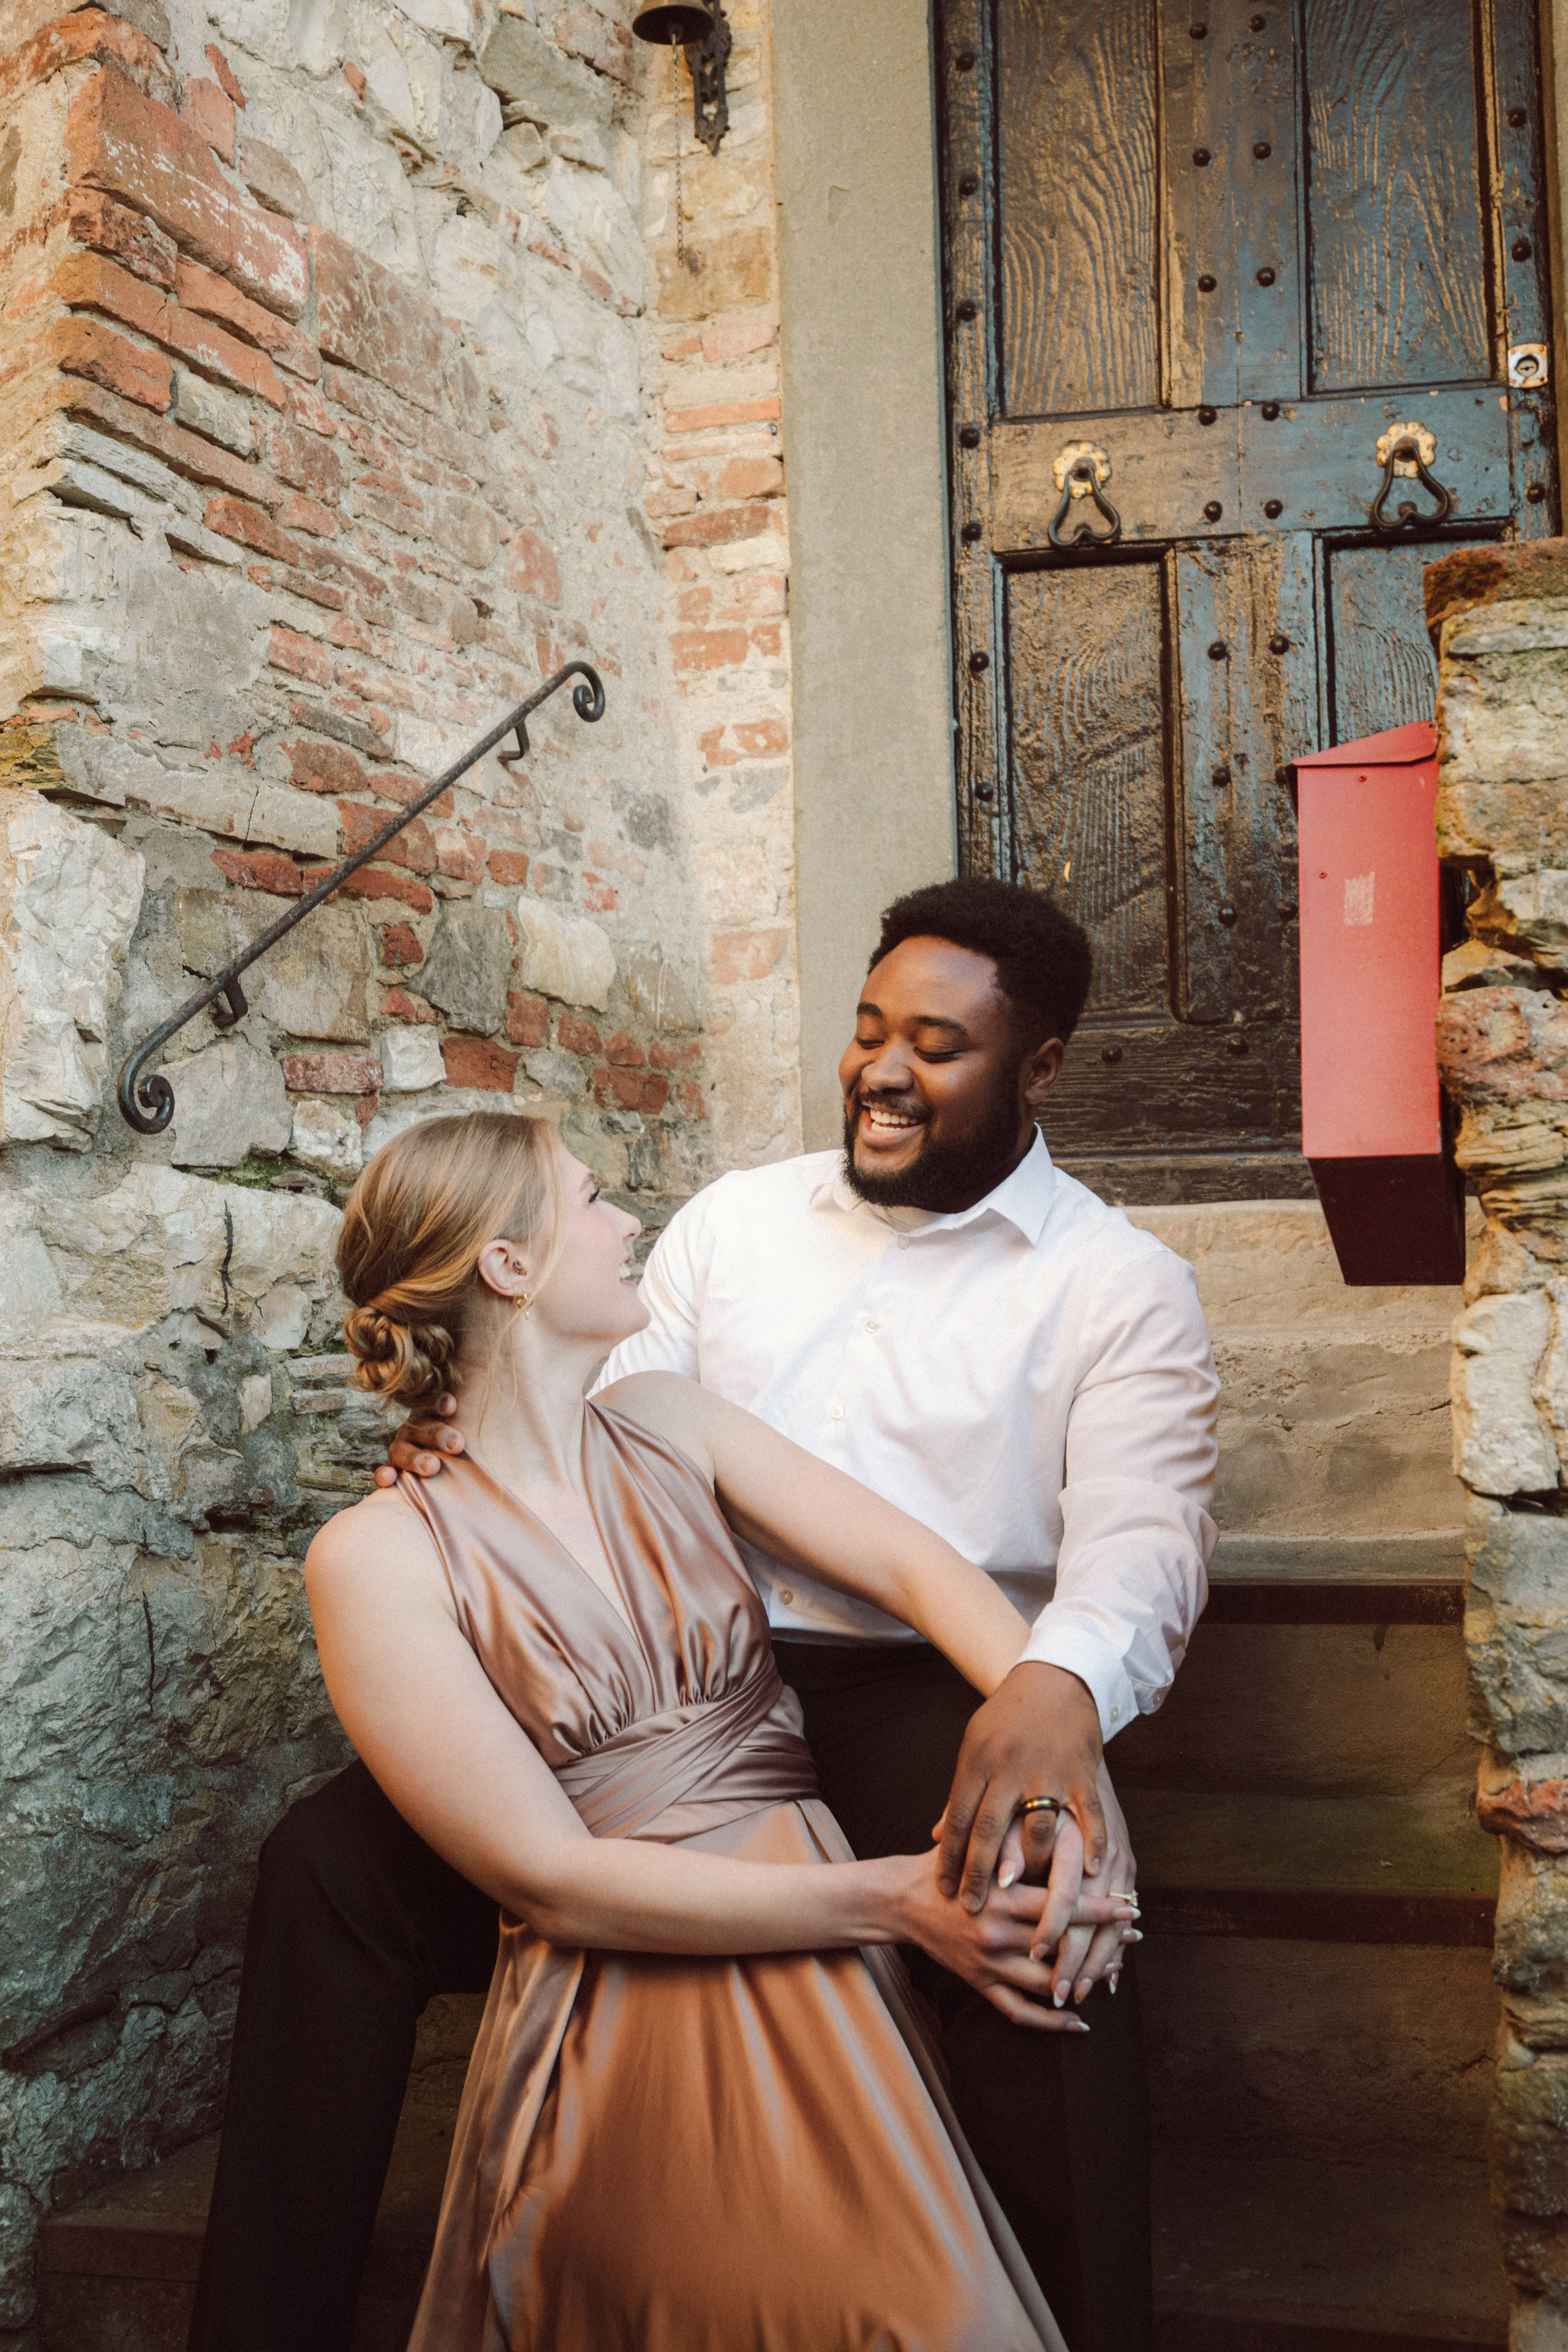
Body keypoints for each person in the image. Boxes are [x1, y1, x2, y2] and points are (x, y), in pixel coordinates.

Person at [189, 876, 1217, 2352]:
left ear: (1034, 1068)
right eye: (868, 1030)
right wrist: (440, 1432)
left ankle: (1068, 2315)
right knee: (320, 1866)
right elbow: (572, 1416)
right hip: (636, 1661)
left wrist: (1056, 1699)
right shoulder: (733, 1223)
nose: (878, 1069)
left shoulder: (1117, 1285)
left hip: (916, 1682)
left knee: (1035, 1889)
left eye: (934, 1044)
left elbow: (1133, 1548)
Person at [303, 1110, 1137, 2347]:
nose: (628, 1220)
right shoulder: (373, 1556)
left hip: (813, 1923)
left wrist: (1060, 1768)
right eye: (589, 1198)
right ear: (508, 1266)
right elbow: (553, 1878)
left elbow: (919, 1568)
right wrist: (900, 1901)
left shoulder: (670, 1422)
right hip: (633, 1972)